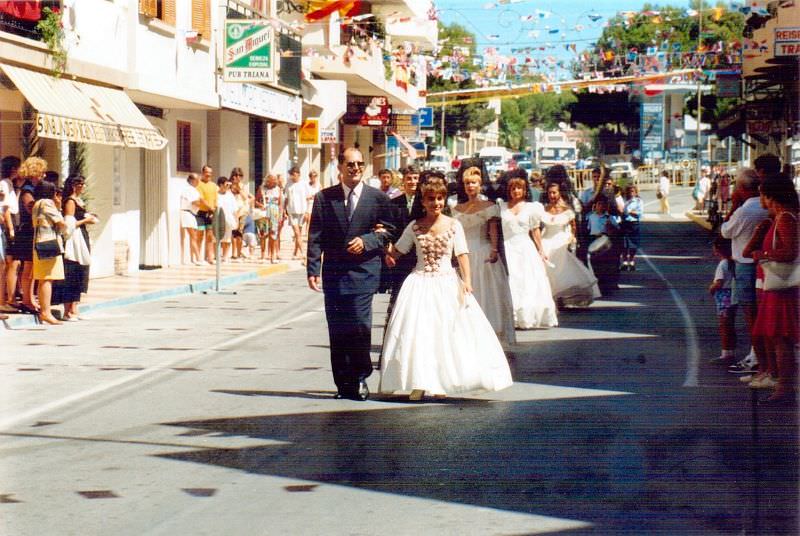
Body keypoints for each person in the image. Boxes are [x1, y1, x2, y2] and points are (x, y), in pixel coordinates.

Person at [379, 177, 513, 400]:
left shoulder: (453, 225)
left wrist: (467, 281)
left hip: (446, 282)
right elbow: (399, 251)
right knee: (419, 333)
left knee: (445, 332)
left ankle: (441, 381)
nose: (436, 203)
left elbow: (462, 253)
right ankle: (419, 382)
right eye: (431, 199)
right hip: (419, 283)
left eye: (440, 198)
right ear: (423, 201)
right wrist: (386, 244)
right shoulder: (414, 226)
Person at [306, 147, 396, 401]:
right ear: (340, 167)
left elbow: (389, 230)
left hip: (363, 273)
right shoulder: (325, 198)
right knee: (337, 329)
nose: (355, 168)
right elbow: (315, 236)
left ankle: (360, 377)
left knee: (358, 326)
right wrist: (313, 268)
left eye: (359, 164)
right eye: (350, 164)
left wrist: (367, 241)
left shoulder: (377, 198)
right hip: (334, 273)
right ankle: (343, 383)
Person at [743, 178, 798, 403]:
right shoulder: (778, 219)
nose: (761, 199)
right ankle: (783, 385)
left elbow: (789, 252)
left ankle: (785, 387)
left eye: (763, 195)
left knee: (781, 338)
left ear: (771, 196)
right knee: (776, 337)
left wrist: (763, 255)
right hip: (775, 286)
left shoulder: (785, 219)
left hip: (780, 287)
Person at [452, 165, 516, 345]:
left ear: (480, 184)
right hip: (463, 252)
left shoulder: (489, 206)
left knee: (486, 293)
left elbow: (493, 231)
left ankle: (489, 333)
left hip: (483, 252)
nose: (470, 186)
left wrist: (494, 250)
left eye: (473, 183)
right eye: (466, 183)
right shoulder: (457, 208)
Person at [720, 169, 767, 375]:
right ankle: (756, 356)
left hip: (745, 265)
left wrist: (733, 205)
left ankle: (757, 358)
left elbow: (725, 231)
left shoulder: (744, 211)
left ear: (741, 188)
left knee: (751, 314)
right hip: (760, 265)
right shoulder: (764, 207)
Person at [499, 177, 558, 328]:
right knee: (512, 280)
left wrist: (541, 249)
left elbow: (535, 230)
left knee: (528, 281)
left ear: (525, 190)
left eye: (519, 188)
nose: (516, 191)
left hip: (525, 248)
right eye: (513, 188)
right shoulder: (502, 207)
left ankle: (527, 316)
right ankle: (511, 316)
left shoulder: (532, 208)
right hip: (508, 248)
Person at [541, 181, 601, 306]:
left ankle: (560, 296)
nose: (552, 195)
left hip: (560, 240)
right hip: (546, 240)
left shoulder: (566, 210)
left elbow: (573, 228)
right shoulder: (544, 209)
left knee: (561, 268)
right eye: (550, 193)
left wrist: (571, 239)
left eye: (554, 193)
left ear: (559, 193)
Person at [54, 175, 96, 321]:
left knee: (80, 271)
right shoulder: (70, 202)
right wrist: (85, 220)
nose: (83, 187)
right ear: (74, 186)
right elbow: (69, 224)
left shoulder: (79, 201)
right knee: (71, 271)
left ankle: (74, 308)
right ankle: (67, 310)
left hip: (81, 237)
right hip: (73, 239)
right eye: (81, 184)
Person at [7, 156, 45, 314]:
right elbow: (31, 206)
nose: (43, 175)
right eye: (41, 172)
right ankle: (27, 301)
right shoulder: (28, 189)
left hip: (29, 231)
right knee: (28, 267)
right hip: (27, 232)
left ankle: (29, 299)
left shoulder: (31, 188)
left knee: (30, 267)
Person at [31, 181, 66, 325]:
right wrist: (58, 207)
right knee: (47, 278)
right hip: (49, 243)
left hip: (39, 243)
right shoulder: (47, 203)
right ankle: (46, 312)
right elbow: (60, 222)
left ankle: (45, 311)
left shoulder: (37, 204)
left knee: (43, 278)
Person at [384, 165, 420, 304]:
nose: (412, 182)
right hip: (400, 254)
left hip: (419, 253)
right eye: (409, 179)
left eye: (416, 178)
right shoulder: (393, 204)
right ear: (403, 181)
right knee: (400, 292)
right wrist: (389, 251)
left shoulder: (426, 203)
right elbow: (389, 229)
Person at [708, 236, 737, 364]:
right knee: (730, 324)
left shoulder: (722, 264)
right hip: (733, 294)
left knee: (724, 325)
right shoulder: (733, 262)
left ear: (718, 250)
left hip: (723, 295)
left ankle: (726, 353)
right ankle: (730, 350)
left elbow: (719, 282)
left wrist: (711, 288)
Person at [585, 196, 620, 293]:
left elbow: (617, 230)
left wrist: (611, 227)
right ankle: (597, 282)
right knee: (595, 263)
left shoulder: (609, 218)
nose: (601, 206)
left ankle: (608, 283)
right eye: (599, 204)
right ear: (595, 206)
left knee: (606, 263)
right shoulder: (590, 217)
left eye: (603, 204)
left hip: (605, 240)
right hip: (594, 239)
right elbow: (587, 229)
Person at [284, 166, 313, 261]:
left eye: (294, 174)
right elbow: (286, 198)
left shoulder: (304, 184)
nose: (292, 176)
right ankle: (303, 253)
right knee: (297, 233)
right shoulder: (288, 184)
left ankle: (295, 252)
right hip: (292, 212)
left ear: (298, 174)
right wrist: (284, 210)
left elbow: (309, 198)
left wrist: (308, 212)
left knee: (299, 233)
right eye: (291, 174)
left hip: (302, 211)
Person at [255, 174, 282, 263]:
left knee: (273, 234)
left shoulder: (278, 189)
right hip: (264, 212)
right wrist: (261, 205)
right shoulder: (262, 188)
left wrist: (281, 215)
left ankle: (272, 255)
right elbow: (255, 201)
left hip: (274, 212)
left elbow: (280, 204)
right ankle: (262, 255)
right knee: (262, 234)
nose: (273, 182)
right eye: (271, 180)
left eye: (274, 180)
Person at [196, 165, 218, 264]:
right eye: (207, 172)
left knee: (210, 236)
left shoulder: (213, 185)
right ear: (203, 172)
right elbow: (201, 199)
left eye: (210, 173)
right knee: (200, 235)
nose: (209, 174)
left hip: (211, 213)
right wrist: (210, 208)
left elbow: (216, 199)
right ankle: (198, 258)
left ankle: (210, 257)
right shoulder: (198, 184)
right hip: (201, 213)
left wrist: (214, 209)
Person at [180, 174, 202, 265]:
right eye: (197, 180)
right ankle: (198, 258)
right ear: (192, 180)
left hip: (191, 214)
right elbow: (195, 201)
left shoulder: (191, 190)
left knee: (193, 236)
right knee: (193, 236)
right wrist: (202, 202)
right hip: (187, 213)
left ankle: (193, 258)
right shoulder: (189, 189)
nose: (198, 182)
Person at [620, 184, 643, 271]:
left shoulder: (638, 201)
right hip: (625, 222)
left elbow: (639, 213)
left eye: (633, 191)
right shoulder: (624, 200)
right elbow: (621, 210)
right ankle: (625, 261)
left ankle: (632, 261)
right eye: (629, 191)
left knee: (634, 244)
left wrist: (629, 211)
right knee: (624, 244)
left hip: (633, 223)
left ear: (636, 192)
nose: (631, 193)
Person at [216, 176, 237, 263]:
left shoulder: (230, 195)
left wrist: (236, 220)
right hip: (218, 218)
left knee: (227, 238)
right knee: (218, 238)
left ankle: (225, 256)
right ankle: (216, 255)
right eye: (226, 184)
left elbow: (234, 208)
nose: (228, 186)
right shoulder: (216, 194)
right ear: (221, 185)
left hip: (229, 218)